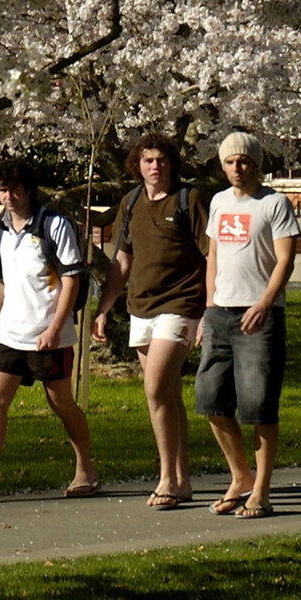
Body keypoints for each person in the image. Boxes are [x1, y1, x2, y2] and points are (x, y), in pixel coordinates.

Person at [0, 158, 100, 503]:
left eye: (14, 189)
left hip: (50, 334)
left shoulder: (54, 225)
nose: (8, 196)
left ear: (28, 189)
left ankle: (85, 469)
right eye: (2, 189)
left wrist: (56, 328)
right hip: (11, 334)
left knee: (61, 403)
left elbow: (72, 279)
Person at [92, 132, 210, 509]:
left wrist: (209, 310)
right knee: (168, 394)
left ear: (172, 164)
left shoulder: (189, 199)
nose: (155, 166)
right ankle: (182, 478)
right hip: (141, 306)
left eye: (161, 160)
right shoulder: (130, 202)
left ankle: (166, 479)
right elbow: (121, 261)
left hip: (181, 304)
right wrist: (103, 309)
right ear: (137, 166)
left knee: (156, 388)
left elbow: (212, 256)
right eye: (148, 160)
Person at [196, 131, 300, 518]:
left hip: (259, 316)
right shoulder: (219, 202)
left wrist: (265, 302)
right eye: (229, 162)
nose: (236, 168)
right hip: (220, 314)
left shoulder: (274, 204)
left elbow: (286, 259)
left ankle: (261, 491)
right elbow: (213, 257)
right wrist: (209, 308)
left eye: (243, 161)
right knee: (210, 400)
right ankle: (240, 476)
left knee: (258, 406)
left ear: (256, 165)